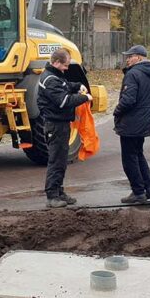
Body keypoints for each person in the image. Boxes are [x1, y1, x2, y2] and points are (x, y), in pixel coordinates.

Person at [38, 49, 92, 208]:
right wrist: (84, 97)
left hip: (61, 124)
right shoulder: (50, 80)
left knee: (62, 160)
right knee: (56, 160)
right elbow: (63, 101)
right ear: (56, 62)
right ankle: (52, 195)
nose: (67, 68)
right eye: (65, 65)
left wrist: (78, 85)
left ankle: (59, 191)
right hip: (55, 125)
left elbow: (66, 86)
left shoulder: (55, 76)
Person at [113, 45, 150, 204]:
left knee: (129, 158)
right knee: (138, 154)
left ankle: (138, 191)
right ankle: (149, 187)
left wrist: (116, 111)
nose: (127, 59)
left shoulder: (133, 74)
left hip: (130, 123)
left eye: (129, 56)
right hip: (145, 121)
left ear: (139, 58)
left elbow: (128, 100)